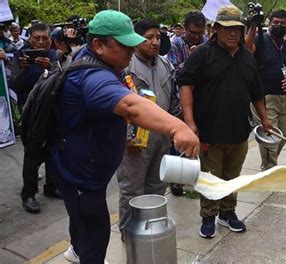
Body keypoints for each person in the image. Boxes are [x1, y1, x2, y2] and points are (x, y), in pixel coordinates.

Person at [49, 10, 199, 263]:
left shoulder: (104, 63)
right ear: (98, 44)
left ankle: (76, 249)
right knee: (95, 233)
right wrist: (178, 128)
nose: (132, 50)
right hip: (81, 176)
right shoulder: (91, 76)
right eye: (124, 45)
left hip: (83, 168)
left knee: (82, 221)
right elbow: (130, 106)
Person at [178, 5, 272, 239]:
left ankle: (227, 213)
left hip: (239, 131)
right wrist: (189, 121)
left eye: (238, 30)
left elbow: (257, 92)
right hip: (209, 131)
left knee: (232, 176)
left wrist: (266, 119)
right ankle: (208, 217)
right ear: (216, 29)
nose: (233, 34)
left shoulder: (246, 57)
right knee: (210, 177)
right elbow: (186, 86)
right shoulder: (203, 54)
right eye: (228, 29)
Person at [116, 18, 181, 239]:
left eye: (157, 37)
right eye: (148, 37)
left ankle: (151, 232)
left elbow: (173, 99)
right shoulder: (125, 67)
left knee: (157, 186)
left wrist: (173, 130)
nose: (154, 42)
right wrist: (128, 137)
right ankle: (129, 236)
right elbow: (120, 107)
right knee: (132, 191)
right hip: (135, 141)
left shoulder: (165, 64)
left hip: (161, 137)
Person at [245, 9, 286, 171]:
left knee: (282, 137)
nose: (278, 26)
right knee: (270, 138)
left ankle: (268, 164)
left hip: (285, 99)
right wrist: (252, 27)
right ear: (269, 24)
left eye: (282, 23)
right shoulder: (260, 41)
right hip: (264, 98)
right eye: (275, 23)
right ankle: (269, 169)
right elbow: (246, 49)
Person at [9, 23, 60, 213]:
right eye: (36, 38)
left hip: (53, 110)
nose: (40, 42)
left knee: (54, 149)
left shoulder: (56, 56)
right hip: (31, 113)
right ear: (29, 38)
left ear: (50, 39)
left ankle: (51, 186)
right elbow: (14, 85)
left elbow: (65, 80)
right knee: (32, 153)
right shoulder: (20, 56)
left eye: (44, 38)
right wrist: (23, 69)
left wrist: (52, 67)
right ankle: (28, 194)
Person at [167, 10, 208, 196]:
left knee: (198, 138)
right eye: (193, 32)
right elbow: (173, 72)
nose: (196, 36)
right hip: (179, 99)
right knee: (179, 139)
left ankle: (195, 174)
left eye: (200, 33)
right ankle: (176, 180)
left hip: (202, 98)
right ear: (184, 29)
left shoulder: (207, 43)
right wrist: (191, 60)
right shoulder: (175, 44)